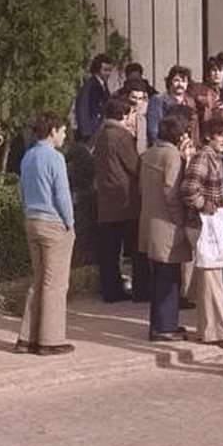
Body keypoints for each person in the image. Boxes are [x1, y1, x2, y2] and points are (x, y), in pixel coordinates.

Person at [16, 111, 76, 355]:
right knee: (56, 283)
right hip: (53, 223)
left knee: (39, 279)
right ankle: (50, 340)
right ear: (53, 131)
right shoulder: (55, 158)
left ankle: (26, 337)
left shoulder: (28, 156)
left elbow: (20, 188)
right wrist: (70, 223)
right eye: (62, 131)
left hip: (32, 219)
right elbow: (61, 194)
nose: (64, 136)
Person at [180, 117, 223, 348]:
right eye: (219, 135)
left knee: (208, 280)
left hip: (210, 225)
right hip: (203, 226)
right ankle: (220, 333)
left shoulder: (214, 157)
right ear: (208, 137)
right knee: (213, 280)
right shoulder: (204, 157)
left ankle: (207, 330)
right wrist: (205, 204)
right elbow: (188, 189)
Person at [139, 114, 193, 341]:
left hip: (149, 219)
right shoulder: (172, 156)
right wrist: (180, 220)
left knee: (160, 276)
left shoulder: (150, 153)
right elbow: (171, 192)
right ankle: (164, 327)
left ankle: (164, 323)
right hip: (167, 224)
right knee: (168, 278)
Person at [91, 98, 139, 303]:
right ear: (124, 115)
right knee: (132, 249)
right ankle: (133, 288)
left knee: (108, 250)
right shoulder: (122, 136)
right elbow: (134, 166)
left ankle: (109, 289)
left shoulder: (101, 135)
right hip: (124, 200)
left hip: (105, 198)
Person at [147, 65, 195, 143]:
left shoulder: (190, 102)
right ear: (170, 81)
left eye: (183, 81)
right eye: (177, 80)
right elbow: (153, 131)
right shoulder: (158, 100)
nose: (180, 84)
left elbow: (194, 129)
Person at [73, 53, 112, 141]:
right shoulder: (90, 86)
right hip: (92, 130)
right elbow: (82, 108)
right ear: (97, 70)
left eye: (110, 70)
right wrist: (86, 133)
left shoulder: (103, 85)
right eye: (105, 70)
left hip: (100, 128)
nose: (108, 73)